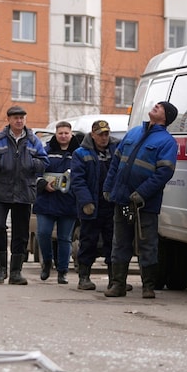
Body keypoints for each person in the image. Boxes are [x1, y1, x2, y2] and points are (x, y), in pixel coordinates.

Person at [102, 102, 178, 299]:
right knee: (120, 242)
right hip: (123, 200)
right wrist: (108, 188)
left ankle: (148, 287)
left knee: (147, 243)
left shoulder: (167, 142)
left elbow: (164, 173)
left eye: (160, 107)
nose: (155, 106)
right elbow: (116, 162)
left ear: (166, 116)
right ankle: (118, 284)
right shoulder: (134, 132)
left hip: (145, 204)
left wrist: (141, 194)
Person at [0, 105, 49, 285]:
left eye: (22, 118)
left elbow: (44, 162)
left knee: (21, 232)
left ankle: (16, 272)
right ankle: (0, 269)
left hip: (25, 191)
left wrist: (30, 163)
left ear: (25, 120)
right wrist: (2, 162)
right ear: (9, 120)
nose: (19, 121)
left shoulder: (34, 141)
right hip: (1, 191)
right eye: (15, 118)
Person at [71, 119, 121, 291]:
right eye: (100, 134)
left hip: (111, 204)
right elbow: (77, 181)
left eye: (106, 134)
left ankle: (114, 279)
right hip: (92, 205)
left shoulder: (116, 150)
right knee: (88, 241)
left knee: (112, 242)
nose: (104, 138)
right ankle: (84, 277)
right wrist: (86, 202)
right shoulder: (81, 153)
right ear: (93, 135)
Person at [33, 121, 80, 284]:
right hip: (46, 200)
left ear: (71, 134)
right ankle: (47, 262)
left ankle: (63, 271)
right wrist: (43, 184)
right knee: (43, 234)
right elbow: (36, 171)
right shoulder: (46, 151)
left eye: (66, 133)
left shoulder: (78, 153)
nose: (63, 136)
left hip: (69, 201)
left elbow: (83, 175)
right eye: (60, 133)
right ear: (56, 134)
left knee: (65, 238)